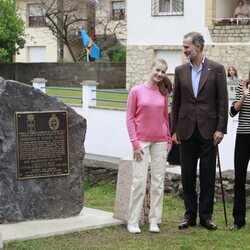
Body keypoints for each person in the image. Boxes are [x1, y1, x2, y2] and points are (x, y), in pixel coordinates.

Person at [171, 32, 228, 231]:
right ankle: (189, 216)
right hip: (186, 130)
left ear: (199, 47)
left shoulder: (217, 69)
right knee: (187, 175)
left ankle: (205, 217)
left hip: (209, 131)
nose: (184, 50)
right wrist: (174, 129)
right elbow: (175, 102)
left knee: (207, 176)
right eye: (184, 46)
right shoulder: (179, 71)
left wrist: (221, 128)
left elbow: (222, 102)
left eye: (187, 47)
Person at [126, 58, 172, 234]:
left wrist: (168, 139)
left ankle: (154, 220)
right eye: (157, 70)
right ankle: (133, 221)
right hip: (141, 143)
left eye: (163, 71)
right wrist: (135, 143)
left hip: (160, 141)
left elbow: (164, 118)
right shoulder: (136, 91)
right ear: (151, 68)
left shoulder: (163, 92)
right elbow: (129, 119)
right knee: (139, 182)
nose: (160, 74)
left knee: (158, 182)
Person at [229, 69, 250, 231]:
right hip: (243, 137)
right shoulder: (241, 86)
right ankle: (239, 219)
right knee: (240, 179)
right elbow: (232, 112)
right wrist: (244, 95)